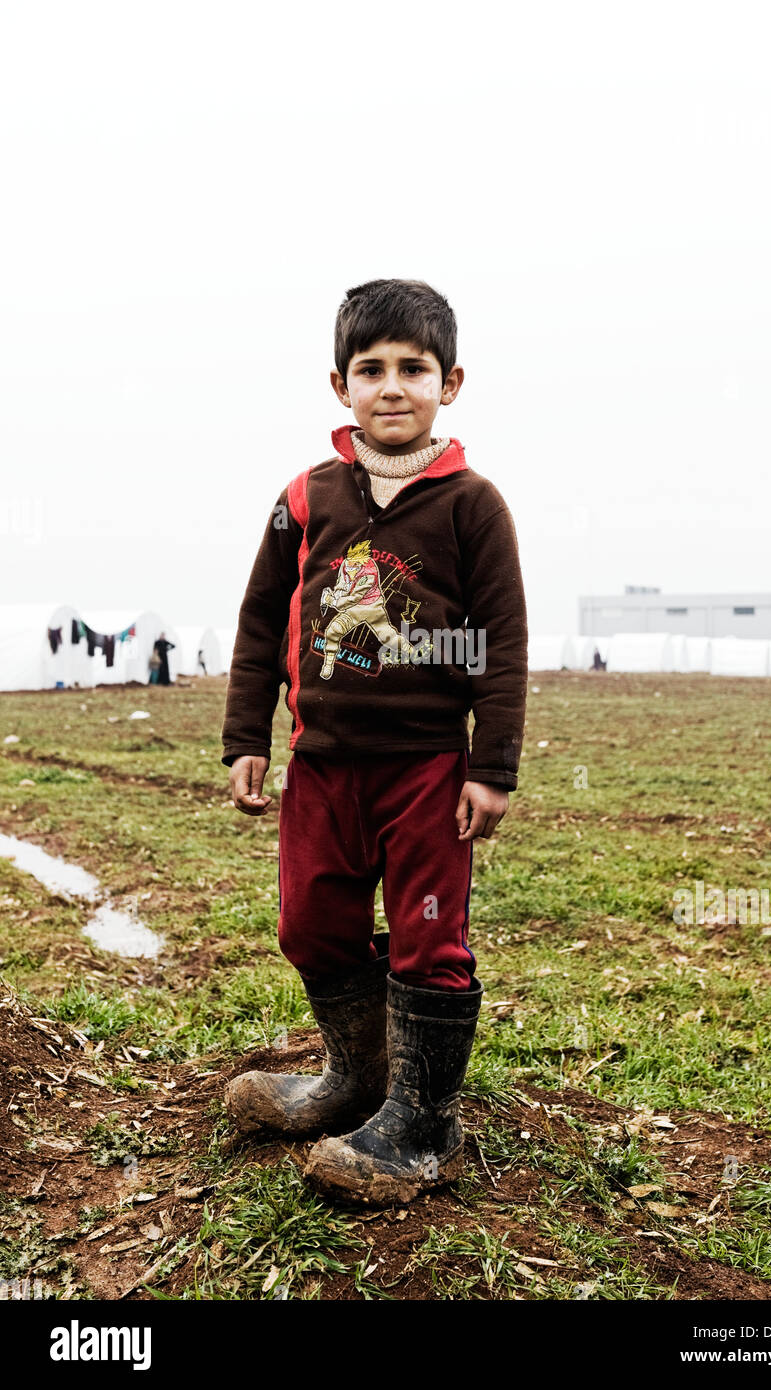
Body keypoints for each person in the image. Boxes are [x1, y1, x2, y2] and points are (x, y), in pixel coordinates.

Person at [220, 279, 528, 1206]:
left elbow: (503, 641)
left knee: (429, 941)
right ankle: (353, 1079)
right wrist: (248, 736)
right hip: (320, 765)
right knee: (309, 924)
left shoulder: (472, 504)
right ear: (339, 384)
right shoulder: (304, 498)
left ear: (451, 381)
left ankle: (423, 1123)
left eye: (413, 369)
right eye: (371, 370)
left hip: (427, 772)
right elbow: (260, 618)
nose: (392, 387)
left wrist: (492, 767)